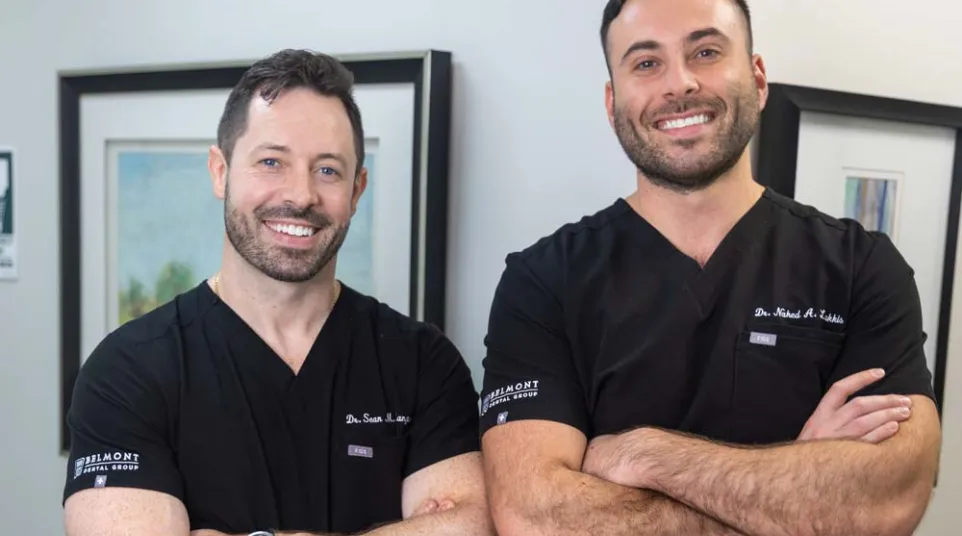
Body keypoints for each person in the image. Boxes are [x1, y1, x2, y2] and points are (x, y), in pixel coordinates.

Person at [478, 0, 942, 535]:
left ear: (758, 77)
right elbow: (536, 517)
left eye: (705, 51)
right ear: (612, 103)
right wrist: (799, 481)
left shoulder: (861, 266)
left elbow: (888, 499)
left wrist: (642, 455)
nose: (680, 84)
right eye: (646, 63)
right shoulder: (542, 282)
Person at [63, 49, 493, 536]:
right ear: (220, 171)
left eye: (327, 170)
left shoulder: (422, 363)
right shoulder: (127, 372)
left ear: (357, 189)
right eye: (271, 162)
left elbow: (472, 525)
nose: (301, 195)